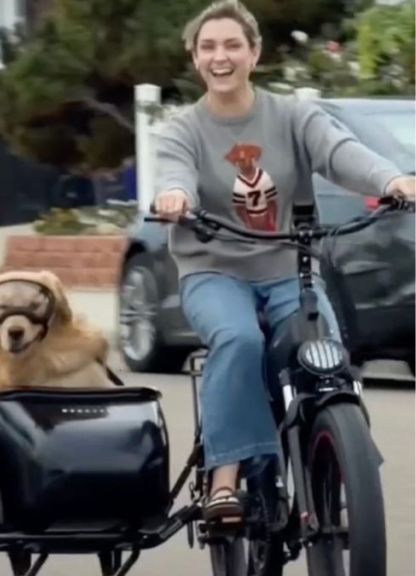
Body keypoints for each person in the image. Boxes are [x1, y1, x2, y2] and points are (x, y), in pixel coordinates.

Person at [152, 0, 415, 522]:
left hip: (288, 269)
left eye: (232, 45)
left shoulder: (292, 116)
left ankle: (338, 452)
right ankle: (226, 476)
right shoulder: (183, 129)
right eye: (208, 47)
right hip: (214, 271)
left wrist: (392, 179)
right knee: (239, 339)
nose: (220, 56)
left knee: (326, 357)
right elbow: (173, 171)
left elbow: (340, 152)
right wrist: (174, 197)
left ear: (254, 52)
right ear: (195, 57)